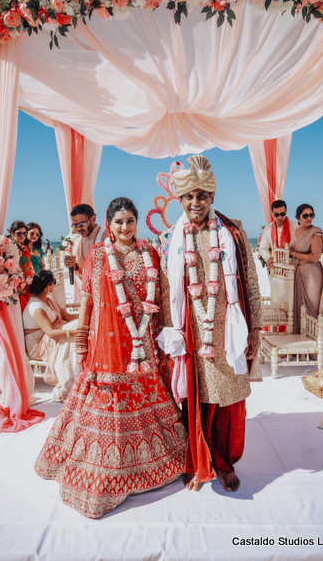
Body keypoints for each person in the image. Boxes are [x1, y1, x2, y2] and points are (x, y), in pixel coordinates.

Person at [35, 197, 187, 519]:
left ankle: (149, 465)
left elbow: (158, 296)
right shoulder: (99, 255)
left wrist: (165, 333)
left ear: (135, 222)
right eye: (118, 222)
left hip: (142, 339)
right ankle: (103, 468)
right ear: (109, 224)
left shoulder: (150, 253)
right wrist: (81, 340)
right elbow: (87, 300)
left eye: (129, 220)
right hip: (107, 344)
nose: (124, 227)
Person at [158, 155, 263, 494]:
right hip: (191, 331)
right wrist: (168, 333)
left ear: (212, 198)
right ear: (180, 200)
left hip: (227, 328)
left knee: (225, 400)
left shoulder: (232, 232)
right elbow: (163, 288)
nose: (195, 202)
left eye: (202, 195)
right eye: (188, 196)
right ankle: (196, 461)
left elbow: (250, 281)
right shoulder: (169, 239)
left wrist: (256, 328)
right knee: (194, 399)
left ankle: (223, 462)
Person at [23, 271, 78, 402]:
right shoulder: (36, 306)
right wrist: (77, 331)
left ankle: (80, 375)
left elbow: (68, 317)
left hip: (52, 335)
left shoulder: (49, 300)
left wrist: (86, 320)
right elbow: (50, 333)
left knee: (76, 328)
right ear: (48, 285)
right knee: (73, 336)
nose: (55, 285)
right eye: (53, 282)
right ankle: (70, 384)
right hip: (38, 344)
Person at [289, 204, 323, 334]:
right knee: (299, 307)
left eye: (311, 215)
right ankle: (301, 341)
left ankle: (315, 346)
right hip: (298, 273)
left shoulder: (316, 234)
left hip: (312, 275)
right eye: (305, 215)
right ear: (298, 217)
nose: (309, 218)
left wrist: (294, 254)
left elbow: (315, 257)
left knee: (313, 308)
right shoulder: (295, 232)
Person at [64, 204, 106, 277]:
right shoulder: (77, 242)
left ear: (93, 219)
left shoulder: (106, 235)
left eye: (82, 224)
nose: (79, 228)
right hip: (89, 287)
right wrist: (73, 265)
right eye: (75, 225)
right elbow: (82, 273)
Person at [259, 200, 298, 270]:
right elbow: (262, 248)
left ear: (286, 211)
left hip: (293, 267)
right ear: (272, 213)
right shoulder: (268, 228)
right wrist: (268, 258)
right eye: (276, 215)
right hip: (275, 267)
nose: (279, 217)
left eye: (282, 214)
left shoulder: (295, 226)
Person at [9, 220, 34, 312]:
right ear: (11, 233)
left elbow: (29, 266)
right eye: (19, 233)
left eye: (24, 233)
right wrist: (16, 288)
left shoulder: (25, 247)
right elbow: (8, 271)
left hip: (28, 284)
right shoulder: (9, 249)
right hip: (17, 287)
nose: (22, 236)